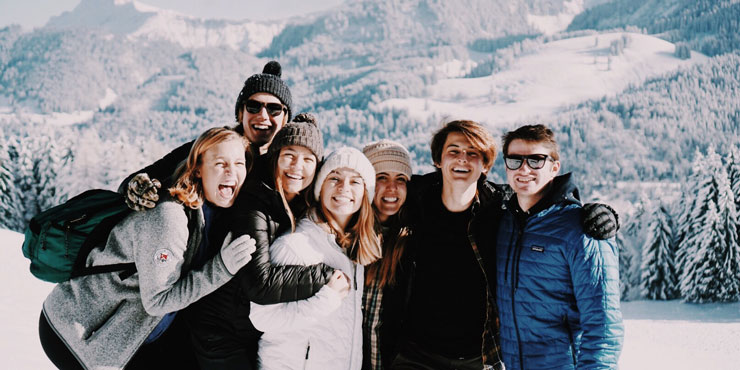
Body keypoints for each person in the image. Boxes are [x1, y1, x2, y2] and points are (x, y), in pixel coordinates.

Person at [39, 127, 257, 370]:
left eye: (239, 163)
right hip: (78, 333)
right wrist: (221, 269)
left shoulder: (208, 212)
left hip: (125, 335)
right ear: (197, 168)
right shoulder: (169, 218)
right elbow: (158, 301)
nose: (232, 172)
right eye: (220, 163)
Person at [184, 113, 336, 369]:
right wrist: (326, 276)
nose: (297, 166)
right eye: (289, 155)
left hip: (253, 329)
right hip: (220, 330)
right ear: (275, 157)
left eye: (308, 159)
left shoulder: (300, 202)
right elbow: (259, 283)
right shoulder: (255, 202)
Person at [495, 124, 623, 369]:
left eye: (536, 160)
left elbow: (604, 324)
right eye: (515, 160)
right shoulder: (503, 222)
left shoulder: (581, 229)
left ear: (554, 168)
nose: (524, 169)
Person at [249, 147, 382, 369]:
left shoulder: (354, 250)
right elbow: (262, 318)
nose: (344, 188)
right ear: (320, 187)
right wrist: (326, 300)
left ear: (365, 195)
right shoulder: (295, 245)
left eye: (355, 182)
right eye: (335, 178)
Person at [121, 60, 293, 211]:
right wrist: (139, 189)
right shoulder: (213, 146)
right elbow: (134, 182)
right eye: (254, 106)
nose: (263, 115)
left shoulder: (288, 161)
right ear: (241, 113)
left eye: (274, 109)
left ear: (285, 118)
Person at [361, 139, 414, 370]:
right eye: (382, 177)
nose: (392, 188)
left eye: (400, 179)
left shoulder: (411, 241)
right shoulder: (346, 236)